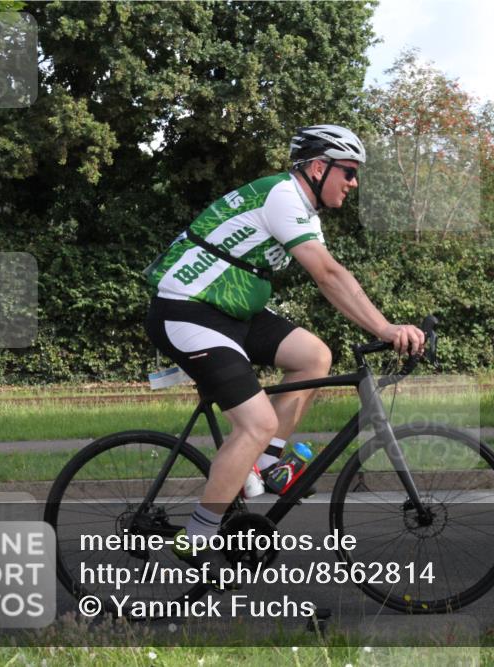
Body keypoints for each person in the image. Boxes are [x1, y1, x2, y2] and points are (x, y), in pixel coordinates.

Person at [143, 124, 425, 553]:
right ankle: (197, 536)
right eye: (348, 171)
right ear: (317, 166)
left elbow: (332, 280)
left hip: (234, 310)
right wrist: (385, 329)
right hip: (189, 309)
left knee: (314, 356)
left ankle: (260, 464)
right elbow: (328, 275)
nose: (354, 182)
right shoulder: (282, 195)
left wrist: (378, 326)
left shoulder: (303, 210)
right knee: (258, 422)